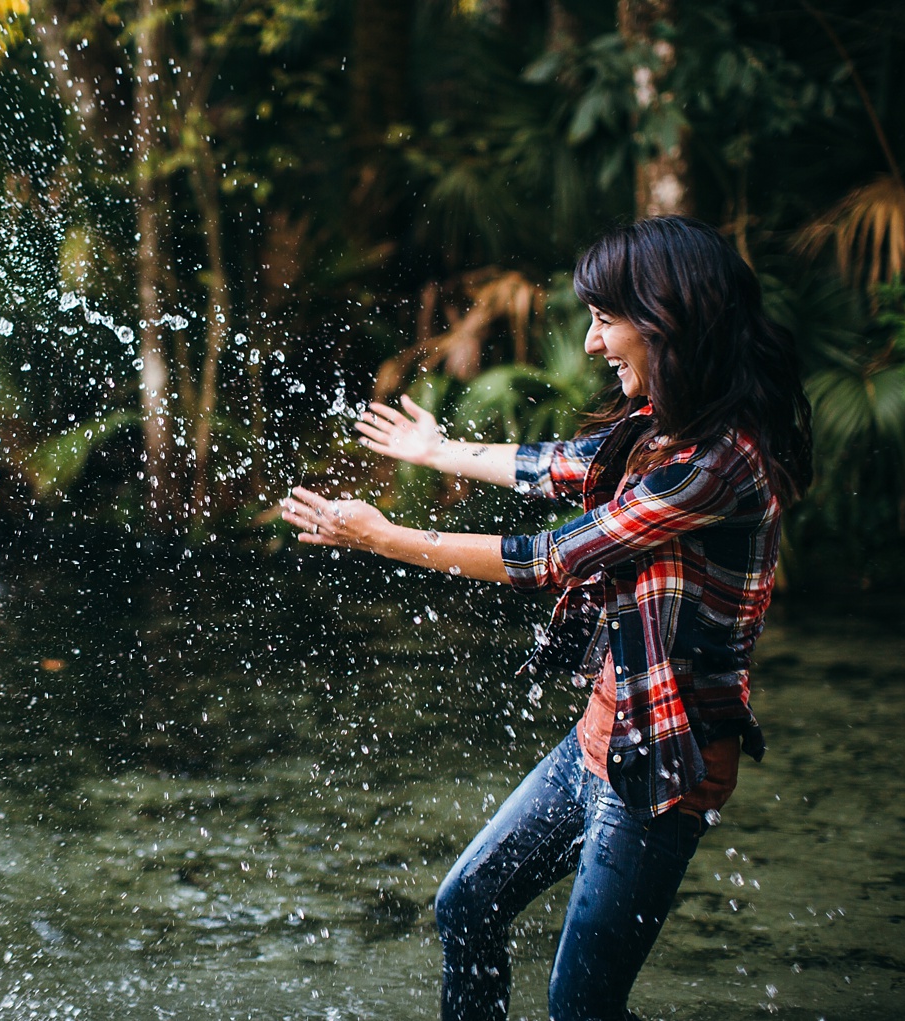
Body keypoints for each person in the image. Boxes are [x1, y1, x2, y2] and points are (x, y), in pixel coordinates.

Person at [281, 216, 812, 1021]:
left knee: (581, 1007)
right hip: (604, 737)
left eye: (605, 320)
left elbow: (552, 557)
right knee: (467, 906)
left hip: (663, 772)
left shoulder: (718, 463)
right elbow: (557, 465)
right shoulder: (667, 428)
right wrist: (437, 451)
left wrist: (383, 537)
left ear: (667, 320)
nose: (594, 344)